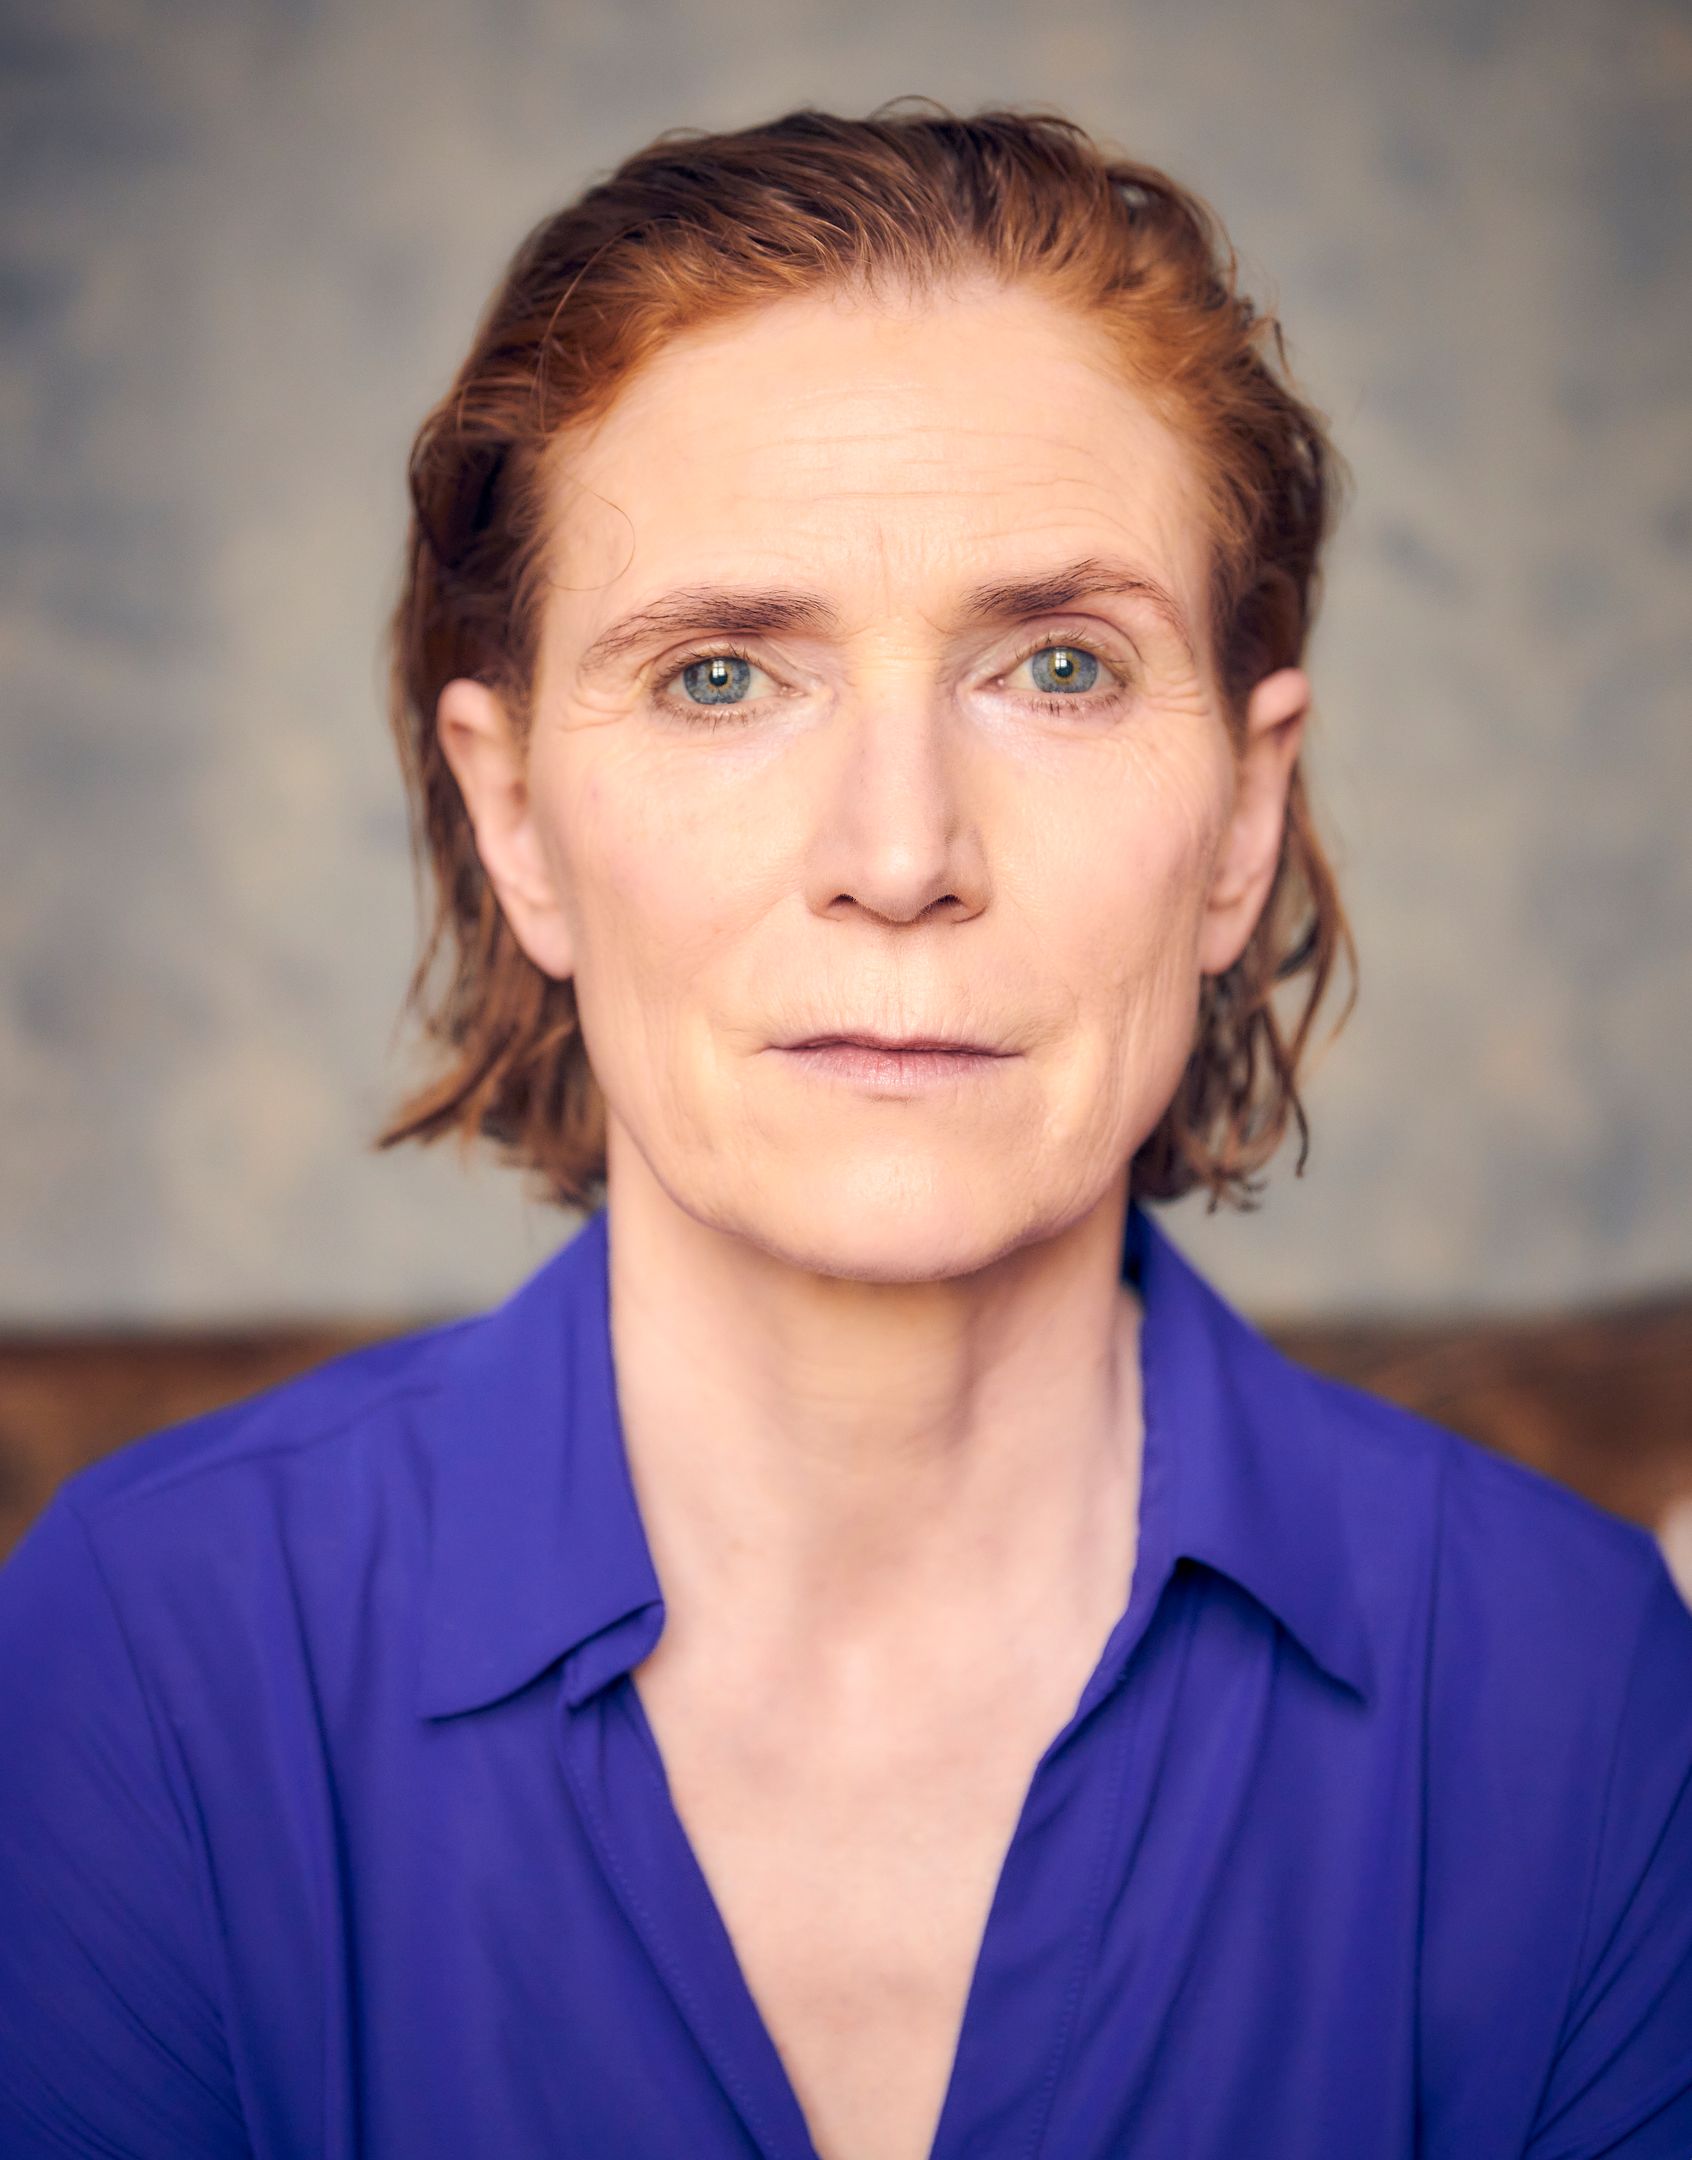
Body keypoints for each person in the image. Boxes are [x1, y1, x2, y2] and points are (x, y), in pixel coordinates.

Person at [1, 99, 1688, 2160]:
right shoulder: (148, 1658)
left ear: (1244, 816)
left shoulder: (1574, 1687)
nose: (899, 856)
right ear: (515, 818)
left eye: (1058, 666)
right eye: (723, 675)